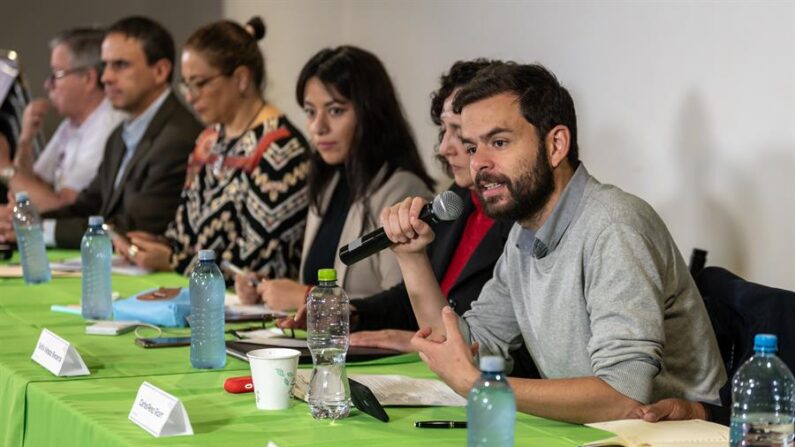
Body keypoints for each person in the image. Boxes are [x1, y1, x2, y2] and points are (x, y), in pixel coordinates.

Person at [378, 61, 726, 424]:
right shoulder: (522, 234)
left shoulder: (614, 226)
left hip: (673, 435)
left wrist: (482, 385)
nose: (478, 163)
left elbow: (623, 394)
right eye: (471, 148)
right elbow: (467, 349)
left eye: (498, 142)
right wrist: (412, 257)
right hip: (593, 431)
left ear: (556, 144)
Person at [235, 45, 434, 309]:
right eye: (310, 112)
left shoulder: (404, 189)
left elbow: (404, 304)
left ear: (371, 114)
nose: (318, 127)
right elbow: (320, 277)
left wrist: (309, 297)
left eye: (335, 111)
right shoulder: (328, 181)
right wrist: (266, 288)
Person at [111, 17, 309, 279]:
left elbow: (260, 264)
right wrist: (151, 245)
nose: (190, 96)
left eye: (200, 83)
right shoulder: (210, 138)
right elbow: (184, 233)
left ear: (240, 79)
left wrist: (174, 260)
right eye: (186, 84)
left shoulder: (280, 150)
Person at [0, 16, 203, 248]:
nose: (106, 77)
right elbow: (87, 206)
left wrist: (37, 230)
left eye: (120, 65)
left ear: (160, 71)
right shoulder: (119, 136)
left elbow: (134, 228)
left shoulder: (177, 138)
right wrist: (23, 222)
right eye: (105, 65)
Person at [0, 28, 126, 211]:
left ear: (89, 79)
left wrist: (3, 166)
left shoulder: (108, 126)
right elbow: (30, 185)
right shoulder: (70, 124)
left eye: (57, 75)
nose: (47, 84)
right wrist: (25, 142)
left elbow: (61, 208)